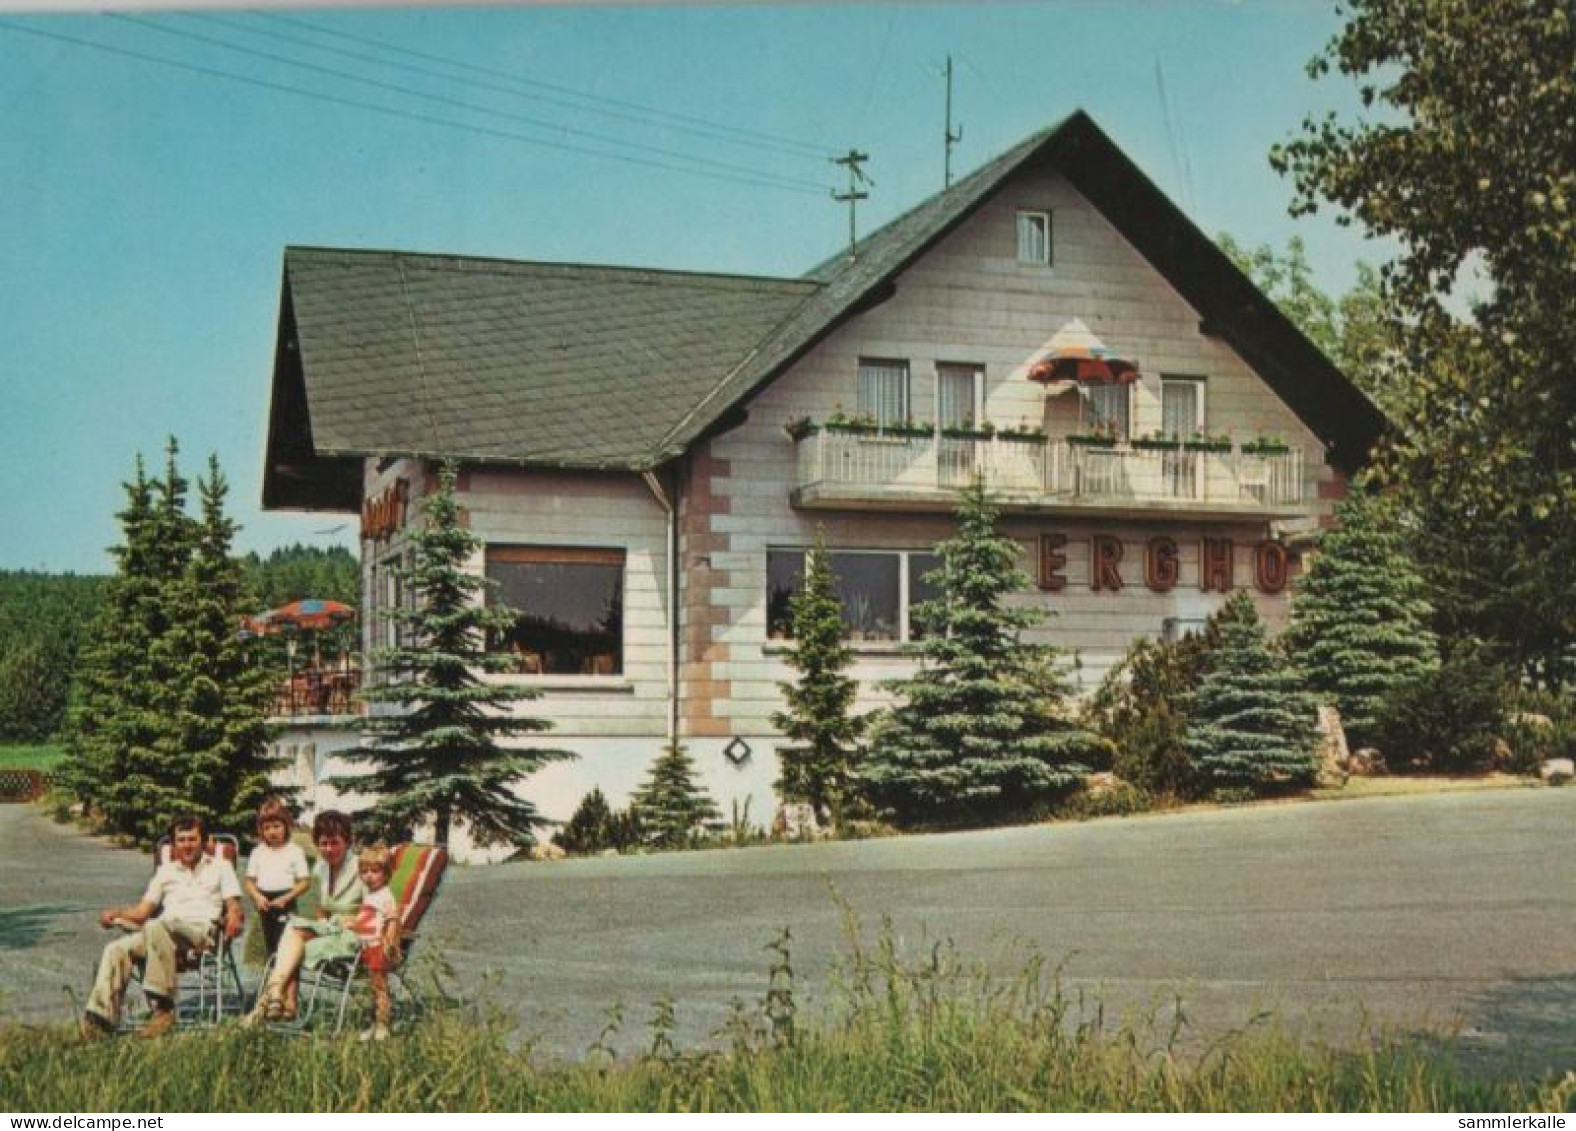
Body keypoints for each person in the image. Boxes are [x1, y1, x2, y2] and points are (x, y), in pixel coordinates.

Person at [81, 813, 243, 1040]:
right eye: (181, 840)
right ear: (174, 844)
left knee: (160, 924)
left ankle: (163, 1010)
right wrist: (117, 914)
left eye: (192, 839)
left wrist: (234, 920)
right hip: (161, 934)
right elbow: (141, 913)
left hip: (201, 934)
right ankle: (99, 1021)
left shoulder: (220, 866)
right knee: (116, 949)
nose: (187, 845)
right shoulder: (165, 872)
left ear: (204, 841)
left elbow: (234, 905)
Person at [249, 809, 363, 1023]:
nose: (328, 849)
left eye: (334, 842)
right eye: (323, 843)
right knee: (292, 929)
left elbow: (379, 907)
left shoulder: (361, 867)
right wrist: (320, 923)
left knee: (291, 935)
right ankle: (278, 999)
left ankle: (264, 1004)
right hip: (331, 931)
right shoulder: (321, 867)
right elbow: (323, 907)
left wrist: (356, 920)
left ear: (347, 841)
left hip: (354, 936)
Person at [243, 797, 310, 960]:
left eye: (276, 826)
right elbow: (249, 882)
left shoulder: (294, 851)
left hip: (286, 901)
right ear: (261, 830)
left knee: (287, 946)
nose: (272, 832)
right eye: (267, 828)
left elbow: (305, 882)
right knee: (270, 947)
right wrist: (257, 897)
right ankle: (273, 980)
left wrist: (286, 898)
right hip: (264, 902)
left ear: (286, 826)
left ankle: (288, 981)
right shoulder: (258, 852)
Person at [349, 843, 403, 1042]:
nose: (368, 876)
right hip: (365, 947)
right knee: (372, 988)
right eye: (364, 871)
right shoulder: (370, 895)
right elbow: (367, 920)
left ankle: (383, 1025)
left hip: (377, 947)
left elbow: (392, 919)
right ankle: (374, 1023)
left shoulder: (386, 896)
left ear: (386, 873)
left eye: (374, 871)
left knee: (380, 988)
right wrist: (352, 923)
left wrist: (389, 943)